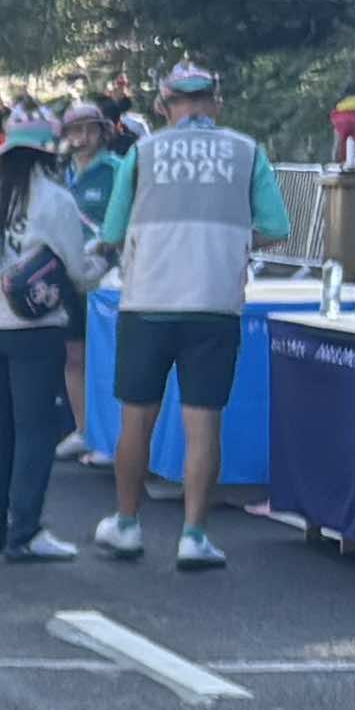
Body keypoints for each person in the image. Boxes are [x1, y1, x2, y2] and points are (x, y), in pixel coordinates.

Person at [78, 61, 290, 566]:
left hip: (148, 300)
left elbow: (110, 232)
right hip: (214, 304)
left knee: (137, 419)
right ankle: (194, 534)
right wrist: (230, 239)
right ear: (215, 103)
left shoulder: (143, 153)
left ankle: (127, 523)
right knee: (204, 424)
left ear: (163, 105)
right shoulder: (246, 150)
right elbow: (276, 226)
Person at [0, 111, 103, 564]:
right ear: (44, 155)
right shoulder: (53, 199)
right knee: (35, 429)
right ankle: (26, 529)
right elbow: (76, 272)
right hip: (33, 327)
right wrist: (104, 262)